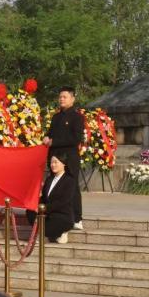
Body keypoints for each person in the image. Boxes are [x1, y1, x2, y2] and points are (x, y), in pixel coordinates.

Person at [43, 86, 85, 230]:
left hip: (69, 158)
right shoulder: (56, 117)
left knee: (72, 187)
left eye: (65, 97)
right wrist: (46, 138)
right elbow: (50, 134)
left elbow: (76, 139)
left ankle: (77, 218)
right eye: (60, 97)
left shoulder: (77, 117)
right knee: (54, 186)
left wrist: (54, 141)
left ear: (72, 99)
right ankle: (54, 215)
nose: (61, 99)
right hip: (55, 159)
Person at [37, 154, 76, 244]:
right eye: (51, 162)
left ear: (63, 164)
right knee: (30, 212)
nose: (53, 165)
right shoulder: (49, 179)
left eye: (55, 162)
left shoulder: (70, 180)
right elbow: (44, 198)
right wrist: (37, 205)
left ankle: (62, 232)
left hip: (62, 215)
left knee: (50, 225)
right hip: (48, 213)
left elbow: (63, 201)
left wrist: (45, 208)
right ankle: (46, 234)